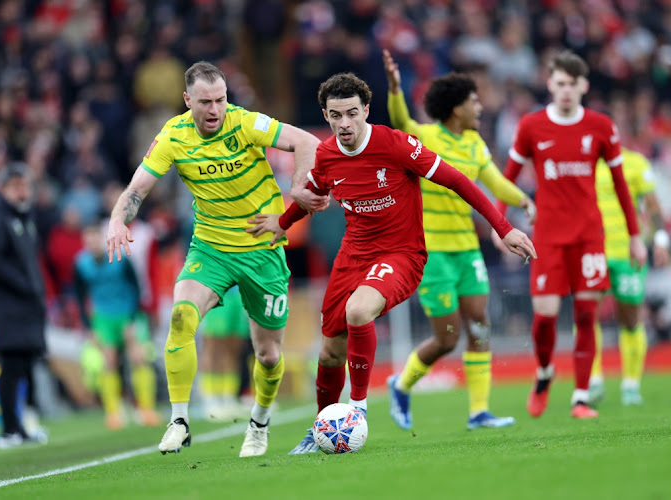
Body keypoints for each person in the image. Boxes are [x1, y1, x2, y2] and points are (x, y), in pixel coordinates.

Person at [246, 72, 536, 454]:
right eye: (336, 115)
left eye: (352, 113)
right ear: (326, 115)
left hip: (402, 254)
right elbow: (312, 195)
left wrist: (503, 228)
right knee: (329, 352)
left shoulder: (396, 144)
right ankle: (322, 429)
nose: (345, 123)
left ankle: (358, 409)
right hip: (353, 256)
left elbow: (459, 181)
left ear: (366, 110)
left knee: (358, 310)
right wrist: (282, 224)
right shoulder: (328, 155)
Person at [105, 61, 327, 457]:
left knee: (268, 355)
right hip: (211, 247)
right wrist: (117, 221)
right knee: (181, 317)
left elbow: (307, 142)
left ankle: (258, 424)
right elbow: (136, 188)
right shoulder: (173, 135)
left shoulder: (245, 123)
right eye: (205, 102)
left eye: (221, 100)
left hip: (262, 250)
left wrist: (294, 196)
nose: (214, 110)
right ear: (187, 100)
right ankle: (178, 421)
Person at [382, 51, 535, 430]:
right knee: (447, 338)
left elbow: (495, 182)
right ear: (455, 108)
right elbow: (400, 120)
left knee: (480, 323)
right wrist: (395, 89)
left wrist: (523, 199)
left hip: (467, 250)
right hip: (432, 253)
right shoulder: (427, 135)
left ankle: (479, 411)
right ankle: (401, 385)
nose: (480, 106)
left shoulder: (475, 144)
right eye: (473, 101)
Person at [494, 51, 647, 419]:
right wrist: (501, 226)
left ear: (584, 86)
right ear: (550, 84)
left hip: (589, 237)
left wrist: (635, 236)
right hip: (546, 236)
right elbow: (506, 179)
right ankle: (545, 372)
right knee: (545, 317)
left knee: (585, 315)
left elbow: (622, 186)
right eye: (559, 84)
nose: (565, 91)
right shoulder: (531, 126)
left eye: (571, 85)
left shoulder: (601, 126)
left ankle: (580, 397)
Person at [589, 147, 669, 406]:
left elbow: (653, 204)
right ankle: (593, 379)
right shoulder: (583, 164)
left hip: (627, 252)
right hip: (592, 251)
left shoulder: (635, 163)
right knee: (587, 313)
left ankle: (631, 385)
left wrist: (661, 239)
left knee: (631, 317)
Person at [0, 163, 48, 448]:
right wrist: (24, 285)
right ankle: (9, 430)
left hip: (26, 306)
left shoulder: (24, 216)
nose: (22, 191)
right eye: (16, 186)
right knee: (10, 365)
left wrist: (36, 290)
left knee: (25, 365)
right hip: (7, 305)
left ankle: (22, 425)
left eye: (25, 185)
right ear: (3, 188)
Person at [75, 222, 162, 430]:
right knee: (108, 362)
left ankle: (146, 409)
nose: (92, 243)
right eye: (88, 239)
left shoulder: (120, 258)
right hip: (103, 319)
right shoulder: (81, 264)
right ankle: (114, 412)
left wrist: (132, 320)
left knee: (139, 358)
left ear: (103, 239)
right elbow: (80, 297)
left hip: (127, 315)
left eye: (95, 238)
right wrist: (89, 326)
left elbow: (135, 288)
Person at [198, 287, 250, 421]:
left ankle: (228, 398)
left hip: (239, 294)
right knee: (214, 347)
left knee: (234, 349)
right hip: (218, 290)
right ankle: (210, 400)